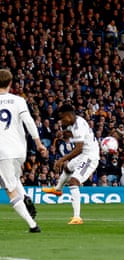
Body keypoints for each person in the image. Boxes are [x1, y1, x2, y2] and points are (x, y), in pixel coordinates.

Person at [0, 69, 47, 232]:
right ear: (10, 83)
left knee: (9, 189)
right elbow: (29, 121)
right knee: (12, 179)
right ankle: (25, 197)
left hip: (2, 151)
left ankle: (33, 225)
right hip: (20, 150)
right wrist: (39, 144)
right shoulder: (18, 101)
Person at [42, 104, 100, 225]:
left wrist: (61, 159)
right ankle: (58, 189)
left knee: (74, 181)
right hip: (84, 154)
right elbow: (73, 135)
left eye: (62, 118)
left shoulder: (78, 125)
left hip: (90, 157)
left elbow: (78, 148)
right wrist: (63, 134)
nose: (62, 121)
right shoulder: (74, 123)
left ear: (69, 115)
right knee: (68, 168)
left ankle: (77, 217)